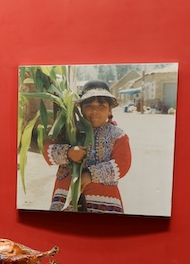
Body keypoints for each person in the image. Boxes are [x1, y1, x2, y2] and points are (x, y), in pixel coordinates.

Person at [42, 80, 132, 213]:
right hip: (66, 197)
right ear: (81, 109)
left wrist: (90, 175)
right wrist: (68, 153)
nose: (95, 111)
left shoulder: (117, 135)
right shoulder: (69, 129)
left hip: (105, 201)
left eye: (101, 106)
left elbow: (123, 164)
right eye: (89, 106)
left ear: (109, 110)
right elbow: (47, 151)